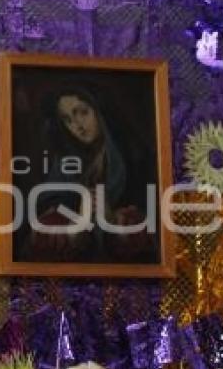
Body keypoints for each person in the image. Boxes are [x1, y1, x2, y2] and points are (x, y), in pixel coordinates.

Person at [17, 86, 156, 263]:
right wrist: (74, 229)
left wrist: (113, 221)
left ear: (100, 111)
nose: (77, 126)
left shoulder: (134, 159)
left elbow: (153, 237)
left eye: (83, 112)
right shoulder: (66, 164)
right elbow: (42, 224)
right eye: (68, 120)